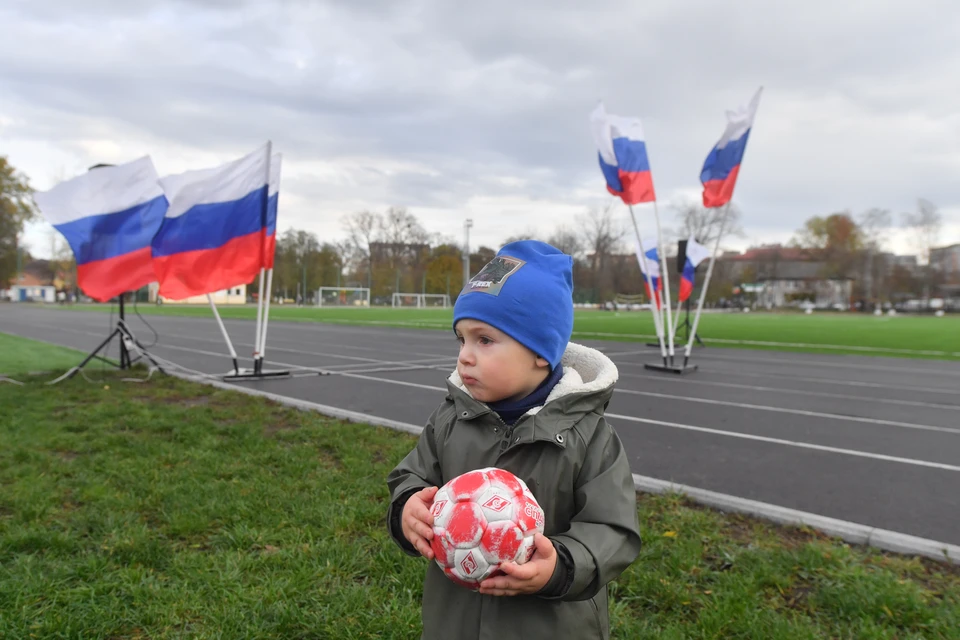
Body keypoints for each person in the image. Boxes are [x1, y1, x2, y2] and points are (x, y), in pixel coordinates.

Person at [386, 240, 642, 640]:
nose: (465, 356)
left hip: (551, 626)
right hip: (455, 624)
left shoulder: (589, 436)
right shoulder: (451, 418)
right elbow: (410, 476)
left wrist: (560, 567)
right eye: (462, 339)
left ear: (541, 351)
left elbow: (614, 530)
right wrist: (407, 508)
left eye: (484, 340)